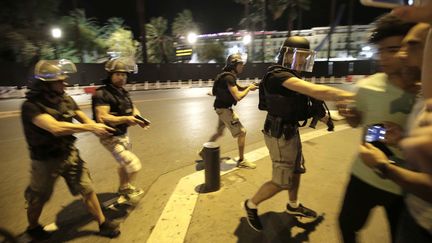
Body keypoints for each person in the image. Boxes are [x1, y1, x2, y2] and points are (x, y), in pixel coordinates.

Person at [243, 36, 353, 232]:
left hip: (290, 131)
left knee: (296, 171)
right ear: (287, 55)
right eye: (299, 56)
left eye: (305, 57)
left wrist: (325, 119)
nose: (303, 62)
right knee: (281, 181)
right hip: (279, 135)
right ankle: (251, 205)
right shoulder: (278, 76)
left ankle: (293, 206)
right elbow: (314, 90)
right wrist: (349, 96)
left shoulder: (292, 75)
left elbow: (306, 103)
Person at [336, 14, 417, 243]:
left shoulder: (424, 93)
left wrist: (402, 138)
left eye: (392, 49)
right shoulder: (367, 86)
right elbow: (360, 122)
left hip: (405, 184)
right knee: (346, 225)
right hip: (364, 174)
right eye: (380, 51)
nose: (384, 57)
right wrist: (350, 116)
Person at [21, 59, 121, 240]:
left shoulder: (66, 99)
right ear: (46, 85)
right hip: (45, 161)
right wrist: (90, 128)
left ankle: (102, 222)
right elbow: (55, 128)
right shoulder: (31, 106)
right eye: (60, 81)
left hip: (69, 153)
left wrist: (100, 129)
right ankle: (33, 226)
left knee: (87, 187)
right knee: (38, 198)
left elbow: (83, 118)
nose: (65, 83)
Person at [359, 20, 432, 242]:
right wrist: (401, 139)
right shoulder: (422, 98)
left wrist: (383, 166)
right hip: (413, 212)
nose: (401, 55)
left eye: (411, 46)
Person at [92, 57, 148, 200]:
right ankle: (126, 188)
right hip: (110, 136)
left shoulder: (122, 92)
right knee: (133, 165)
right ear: (110, 75)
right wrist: (126, 119)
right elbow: (102, 117)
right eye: (118, 74)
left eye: (124, 75)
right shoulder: (102, 93)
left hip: (123, 134)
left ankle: (123, 187)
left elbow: (132, 108)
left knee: (123, 164)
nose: (122, 77)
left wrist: (138, 118)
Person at [199, 53, 258, 168]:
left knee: (219, 132)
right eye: (240, 64)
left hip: (220, 108)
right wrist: (249, 89)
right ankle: (242, 161)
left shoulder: (226, 76)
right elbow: (238, 96)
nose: (243, 66)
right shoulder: (229, 77)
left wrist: (249, 86)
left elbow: (238, 87)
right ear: (233, 65)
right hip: (224, 110)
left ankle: (204, 152)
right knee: (242, 132)